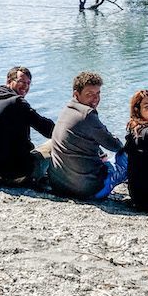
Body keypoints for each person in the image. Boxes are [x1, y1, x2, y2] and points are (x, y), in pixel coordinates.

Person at [48, 71, 127, 200]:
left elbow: (85, 138)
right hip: (89, 190)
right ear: (76, 94)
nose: (95, 99)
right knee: (130, 153)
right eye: (89, 94)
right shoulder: (87, 114)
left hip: (60, 186)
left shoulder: (67, 110)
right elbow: (115, 145)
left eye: (98, 94)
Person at [0, 66, 55, 186]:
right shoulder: (19, 103)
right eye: (21, 82)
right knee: (54, 143)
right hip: (15, 175)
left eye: (28, 83)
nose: (26, 86)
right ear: (9, 81)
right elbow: (47, 130)